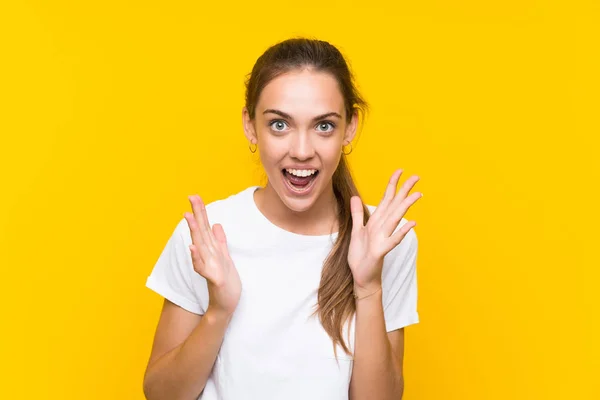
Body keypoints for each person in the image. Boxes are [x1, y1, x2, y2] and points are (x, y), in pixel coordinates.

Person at [142, 37, 422, 400]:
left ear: (350, 127)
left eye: (324, 126)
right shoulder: (207, 235)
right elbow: (160, 394)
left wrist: (368, 288)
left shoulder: (383, 240)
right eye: (279, 125)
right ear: (250, 125)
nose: (302, 151)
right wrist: (218, 310)